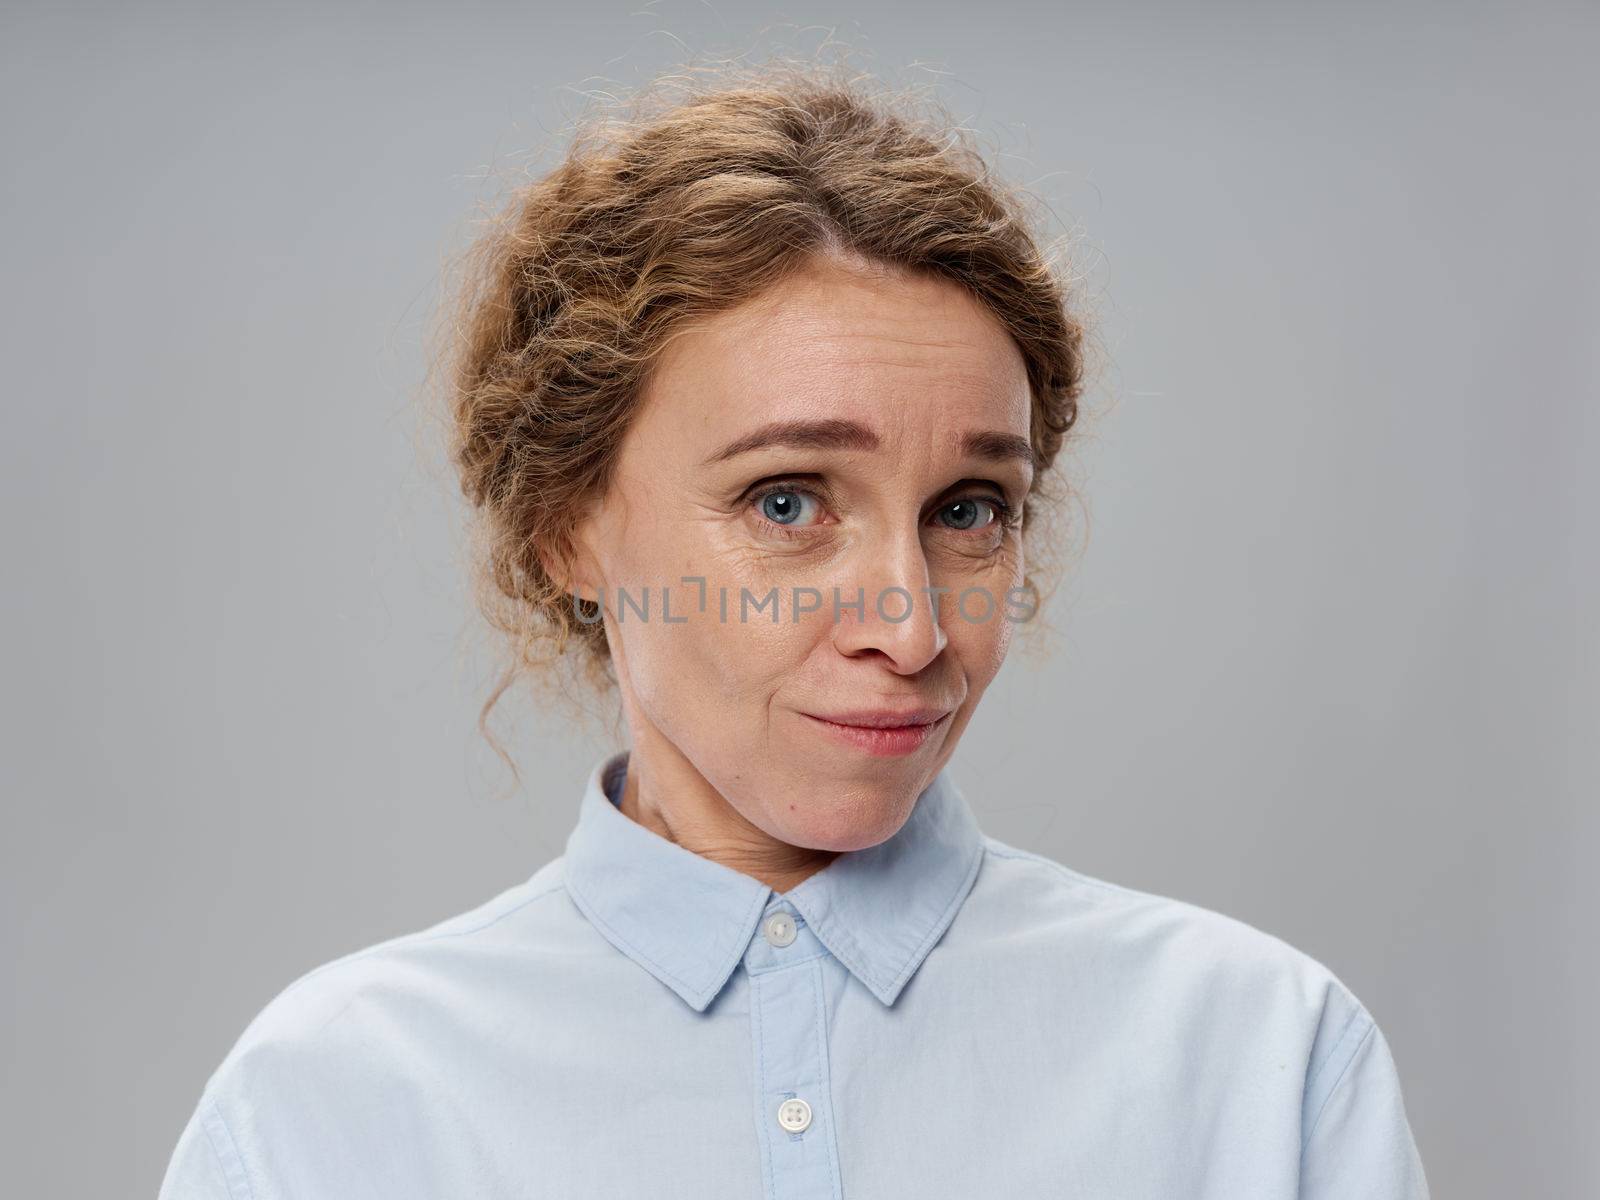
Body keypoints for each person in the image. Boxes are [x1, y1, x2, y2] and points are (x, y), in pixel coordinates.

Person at [158, 60, 1430, 1199]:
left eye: (969, 508)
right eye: (787, 501)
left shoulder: (1263, 1062)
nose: (909, 624)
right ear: (568, 526)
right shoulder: (325, 1114)